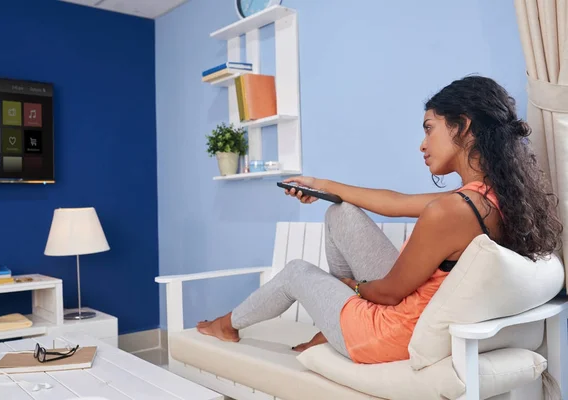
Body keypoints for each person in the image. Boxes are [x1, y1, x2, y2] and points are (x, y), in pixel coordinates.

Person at [196, 75, 563, 364]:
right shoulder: (486, 198)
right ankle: (331, 327)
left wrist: (346, 285)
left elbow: (388, 292)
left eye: (429, 127)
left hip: (388, 334)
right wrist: (320, 184)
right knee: (341, 212)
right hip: (412, 310)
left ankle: (226, 326)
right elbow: (395, 202)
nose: (422, 143)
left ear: (462, 126)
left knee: (296, 272)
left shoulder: (450, 211)